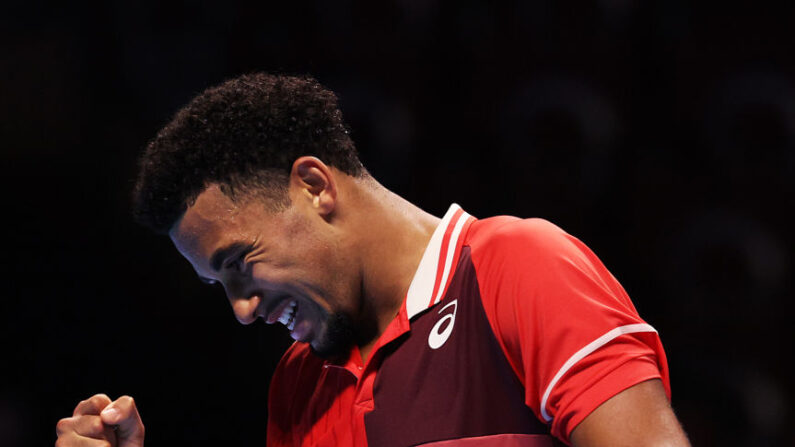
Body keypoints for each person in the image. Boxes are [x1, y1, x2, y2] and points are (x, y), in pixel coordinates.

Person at [55, 73, 690, 447]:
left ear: (314, 186)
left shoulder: (517, 266)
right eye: (217, 285)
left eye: (240, 263)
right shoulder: (299, 384)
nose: (243, 311)